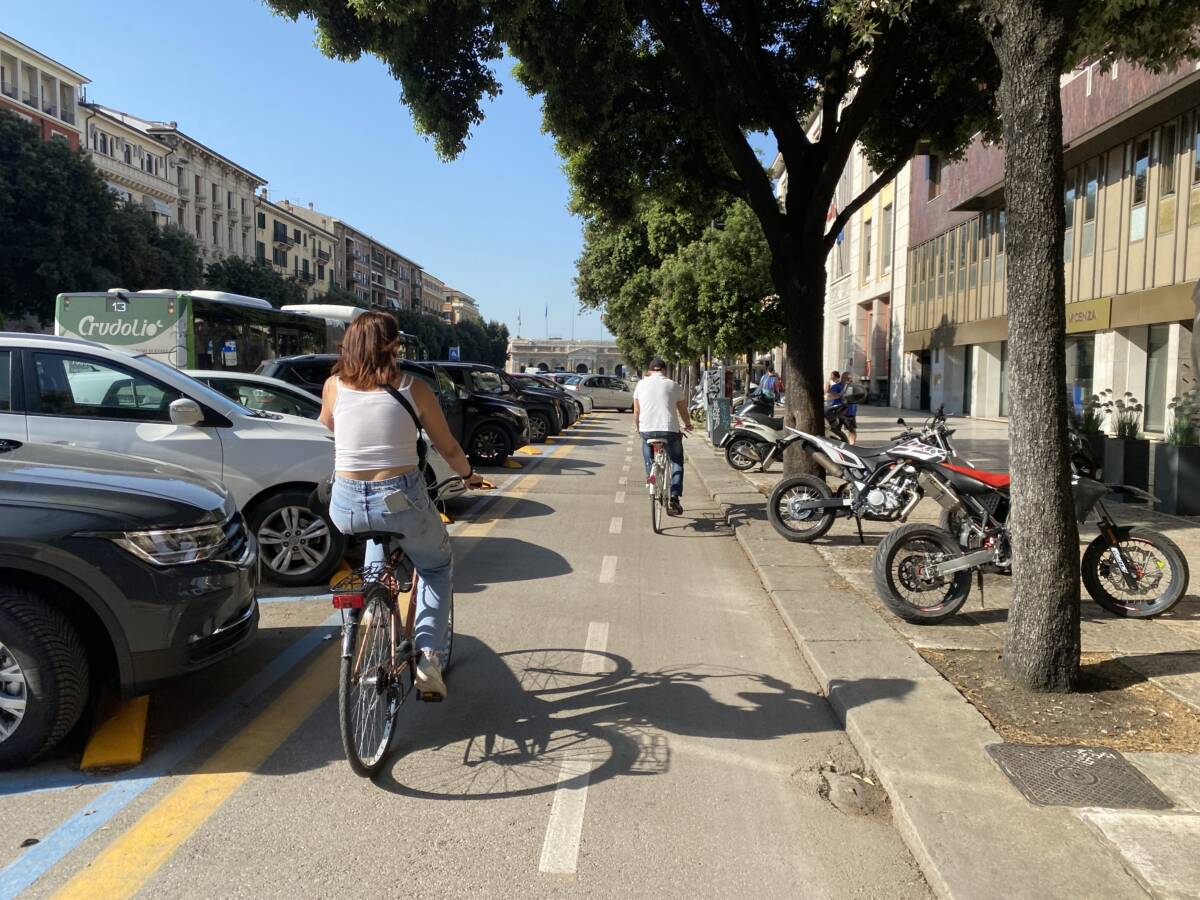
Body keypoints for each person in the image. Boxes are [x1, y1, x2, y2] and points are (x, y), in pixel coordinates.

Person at [319, 311, 485, 700]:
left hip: (345, 502)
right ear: (393, 347)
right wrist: (468, 476)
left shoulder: (333, 386)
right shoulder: (414, 388)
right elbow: (448, 447)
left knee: (374, 543)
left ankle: (376, 597)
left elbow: (329, 423)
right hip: (399, 496)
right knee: (435, 565)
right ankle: (428, 657)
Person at [633, 357, 693, 516]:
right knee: (676, 461)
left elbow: (637, 411)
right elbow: (682, 410)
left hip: (647, 430)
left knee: (647, 453)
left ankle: (650, 478)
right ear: (664, 370)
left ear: (649, 370)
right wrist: (687, 424)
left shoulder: (640, 384)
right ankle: (674, 495)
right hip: (670, 431)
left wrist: (638, 428)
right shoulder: (674, 385)